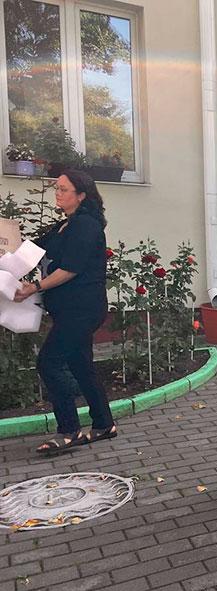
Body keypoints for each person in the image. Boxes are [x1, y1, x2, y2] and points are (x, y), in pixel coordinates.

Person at [14, 170, 116, 454]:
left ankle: (69, 431)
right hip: (68, 309)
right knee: (80, 364)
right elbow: (32, 251)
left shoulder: (86, 226)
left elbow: (70, 269)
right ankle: (104, 424)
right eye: (56, 188)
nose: (57, 193)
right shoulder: (64, 225)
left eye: (63, 189)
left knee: (49, 362)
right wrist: (7, 248)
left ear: (81, 195)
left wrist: (34, 287)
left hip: (82, 309)